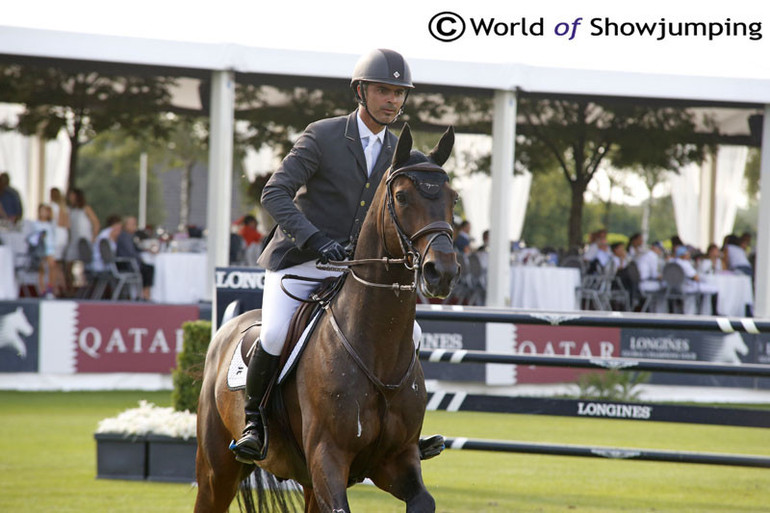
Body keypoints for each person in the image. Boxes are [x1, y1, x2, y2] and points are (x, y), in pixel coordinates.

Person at [232, 49, 421, 462]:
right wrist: (315, 239)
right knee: (276, 332)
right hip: (301, 260)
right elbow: (273, 193)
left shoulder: (402, 152)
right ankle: (254, 422)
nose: (393, 100)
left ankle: (403, 431)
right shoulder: (323, 134)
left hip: (355, 273)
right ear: (361, 91)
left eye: (399, 93)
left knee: (413, 335)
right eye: (384, 90)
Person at [64, 188, 100, 293]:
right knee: (68, 264)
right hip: (74, 240)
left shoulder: (85, 208)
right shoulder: (71, 210)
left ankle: (84, 290)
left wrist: (93, 237)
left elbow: (96, 223)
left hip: (84, 241)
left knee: (84, 266)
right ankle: (71, 289)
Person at [116, 216, 155, 300]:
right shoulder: (125, 236)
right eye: (132, 224)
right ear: (125, 225)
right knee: (148, 268)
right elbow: (131, 252)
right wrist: (140, 256)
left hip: (130, 263)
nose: (135, 226)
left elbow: (136, 248)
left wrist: (145, 250)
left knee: (148, 267)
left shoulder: (130, 236)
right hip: (127, 264)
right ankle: (145, 294)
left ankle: (144, 294)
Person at [29, 204, 59, 297]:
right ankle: (42, 289)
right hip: (40, 249)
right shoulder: (35, 224)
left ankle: (50, 287)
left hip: (49, 247)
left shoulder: (51, 224)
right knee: (41, 269)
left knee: (52, 267)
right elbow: (32, 237)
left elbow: (54, 236)